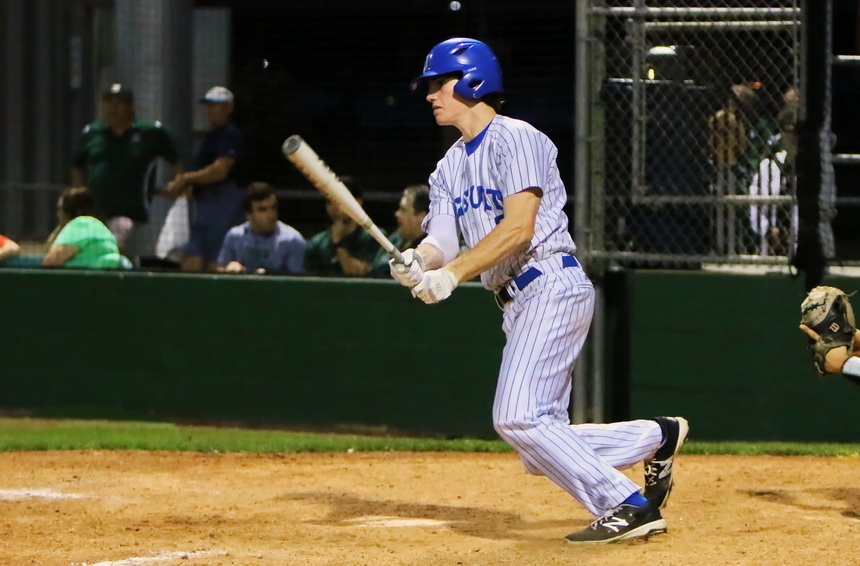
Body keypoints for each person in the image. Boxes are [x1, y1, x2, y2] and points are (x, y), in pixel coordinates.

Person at [392, 37, 689, 544]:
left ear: (471, 81)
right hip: (515, 301)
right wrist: (420, 261)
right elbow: (442, 239)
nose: (429, 95)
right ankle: (655, 436)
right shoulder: (446, 168)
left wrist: (451, 276)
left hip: (548, 281)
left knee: (516, 416)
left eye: (438, 83)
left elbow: (518, 229)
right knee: (538, 448)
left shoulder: (518, 138)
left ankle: (625, 504)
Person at [71, 83, 182, 259]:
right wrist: (78, 192)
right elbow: (77, 164)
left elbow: (176, 158)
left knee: (114, 242)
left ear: (130, 106)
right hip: (95, 210)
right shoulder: (93, 133)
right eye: (109, 103)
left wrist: (178, 183)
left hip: (130, 209)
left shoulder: (149, 132)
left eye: (118, 103)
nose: (113, 109)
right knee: (109, 251)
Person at [164, 86, 244, 272]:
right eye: (208, 105)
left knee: (216, 261)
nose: (210, 110)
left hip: (224, 204)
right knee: (192, 257)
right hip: (204, 206)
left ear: (229, 108)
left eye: (216, 105)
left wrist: (186, 178)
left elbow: (220, 171)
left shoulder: (230, 134)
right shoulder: (212, 136)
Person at [217, 182, 307, 274]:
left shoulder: (293, 241)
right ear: (249, 215)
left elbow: (298, 282)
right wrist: (228, 269)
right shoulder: (234, 237)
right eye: (262, 209)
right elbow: (220, 272)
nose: (271, 215)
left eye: (273, 207)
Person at [304, 176, 381, 276]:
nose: (335, 207)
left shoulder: (374, 237)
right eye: (330, 201)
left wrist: (339, 243)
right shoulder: (317, 244)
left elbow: (357, 272)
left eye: (340, 201)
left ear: (358, 202)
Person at [42, 187, 130, 269]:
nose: (57, 214)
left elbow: (51, 261)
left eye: (59, 208)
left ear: (70, 210)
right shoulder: (98, 227)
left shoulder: (80, 224)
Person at [370, 184, 430, 277]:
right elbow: (376, 268)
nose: (397, 214)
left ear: (421, 217)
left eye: (403, 210)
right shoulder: (395, 239)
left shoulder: (429, 249)